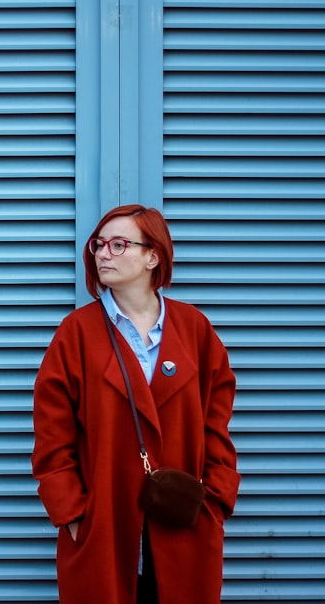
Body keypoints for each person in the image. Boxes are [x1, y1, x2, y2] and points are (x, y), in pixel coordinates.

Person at [31, 204, 240, 604]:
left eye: (118, 244)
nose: (102, 253)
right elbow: (51, 434)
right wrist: (74, 515)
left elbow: (218, 420)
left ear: (153, 256)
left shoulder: (194, 329)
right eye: (99, 244)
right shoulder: (76, 333)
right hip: (105, 528)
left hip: (185, 523)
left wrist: (215, 499)